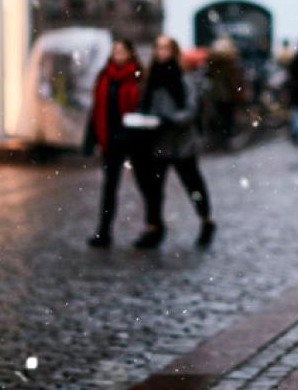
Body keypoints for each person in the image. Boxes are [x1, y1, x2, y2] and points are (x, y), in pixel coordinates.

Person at [135, 35, 217, 249]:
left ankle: (206, 220)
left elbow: (190, 110)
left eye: (166, 48)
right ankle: (153, 226)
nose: (161, 52)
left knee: (192, 183)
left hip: (181, 141)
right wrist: (147, 120)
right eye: (158, 48)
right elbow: (145, 105)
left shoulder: (183, 78)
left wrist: (170, 119)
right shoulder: (151, 78)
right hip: (157, 140)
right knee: (154, 188)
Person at [83, 39, 146, 248]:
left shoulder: (137, 76)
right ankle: (103, 231)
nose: (118, 54)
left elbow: (141, 106)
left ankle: (152, 226)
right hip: (110, 140)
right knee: (109, 187)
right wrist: (90, 138)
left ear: (130, 53)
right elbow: (97, 108)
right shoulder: (105, 76)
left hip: (134, 140)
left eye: (122, 50)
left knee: (145, 185)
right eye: (115, 50)